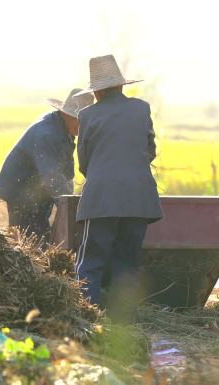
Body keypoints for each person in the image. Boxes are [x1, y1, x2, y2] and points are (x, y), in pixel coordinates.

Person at [73, 55, 163, 319]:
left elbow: (84, 163)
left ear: (97, 91)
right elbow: (150, 151)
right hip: (139, 199)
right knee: (127, 264)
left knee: (90, 263)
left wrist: (104, 175)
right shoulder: (141, 108)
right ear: (121, 86)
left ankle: (88, 320)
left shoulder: (87, 115)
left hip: (101, 200)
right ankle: (126, 326)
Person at [0, 88, 94, 241]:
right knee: (30, 237)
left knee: (39, 231)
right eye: (79, 120)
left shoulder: (64, 128)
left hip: (36, 189)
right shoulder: (47, 134)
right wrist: (70, 206)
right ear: (66, 114)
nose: (83, 126)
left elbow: (65, 172)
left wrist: (70, 198)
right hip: (20, 190)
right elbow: (52, 176)